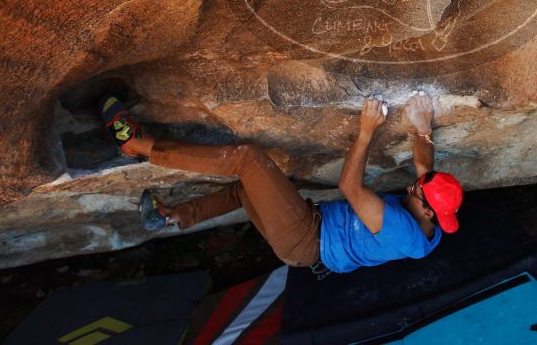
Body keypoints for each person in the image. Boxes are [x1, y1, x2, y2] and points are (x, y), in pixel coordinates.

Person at [99, 92, 463, 275]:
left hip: (306, 238)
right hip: (309, 237)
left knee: (248, 159)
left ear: (428, 209)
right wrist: (423, 126)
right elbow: (424, 169)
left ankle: (139, 146)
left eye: (419, 192)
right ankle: (174, 216)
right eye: (420, 186)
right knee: (247, 190)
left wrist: (366, 131)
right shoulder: (431, 214)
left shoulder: (401, 229)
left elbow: (350, 188)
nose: (413, 187)